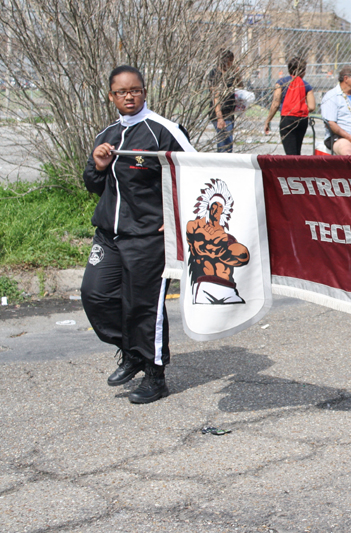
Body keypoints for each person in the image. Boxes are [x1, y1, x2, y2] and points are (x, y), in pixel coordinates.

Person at [82, 65, 195, 404]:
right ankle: (131, 351)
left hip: (148, 235)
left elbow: (196, 173)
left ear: (144, 92)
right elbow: (93, 185)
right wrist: (97, 165)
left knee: (144, 306)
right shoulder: (109, 133)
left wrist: (176, 215)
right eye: (121, 92)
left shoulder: (163, 130)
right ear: (111, 96)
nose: (128, 96)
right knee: (96, 295)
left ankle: (155, 376)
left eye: (135, 90)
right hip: (109, 234)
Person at [264, 56, 315, 155]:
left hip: (287, 118)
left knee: (290, 153)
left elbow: (275, 104)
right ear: (303, 71)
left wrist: (268, 120)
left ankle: (293, 170)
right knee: (297, 150)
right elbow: (312, 107)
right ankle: (297, 168)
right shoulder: (306, 85)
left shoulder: (281, 83)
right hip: (302, 120)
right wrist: (300, 108)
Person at [208, 49, 242, 153]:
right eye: (230, 61)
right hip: (221, 114)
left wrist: (238, 74)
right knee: (224, 146)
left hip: (229, 112)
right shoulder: (215, 74)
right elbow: (215, 96)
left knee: (228, 146)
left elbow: (240, 87)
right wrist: (220, 118)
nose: (231, 63)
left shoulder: (230, 73)